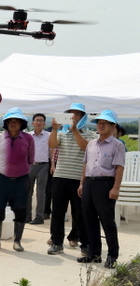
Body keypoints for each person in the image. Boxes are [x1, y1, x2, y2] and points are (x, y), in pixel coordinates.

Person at [47, 103, 97, 255]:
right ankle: (57, 242)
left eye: (77, 113)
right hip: (60, 176)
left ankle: (83, 243)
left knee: (80, 212)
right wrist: (55, 129)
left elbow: (86, 148)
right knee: (57, 212)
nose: (74, 116)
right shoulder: (61, 132)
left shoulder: (91, 135)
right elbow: (52, 145)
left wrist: (75, 131)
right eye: (71, 113)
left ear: (83, 116)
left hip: (78, 178)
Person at [77, 110, 125, 269]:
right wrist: (82, 183)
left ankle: (112, 255)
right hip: (89, 183)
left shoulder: (117, 145)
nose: (101, 125)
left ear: (113, 126)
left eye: (105, 123)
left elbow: (119, 168)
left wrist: (116, 188)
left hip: (105, 184)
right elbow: (85, 164)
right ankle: (94, 253)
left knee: (107, 220)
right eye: (99, 122)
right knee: (89, 219)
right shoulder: (91, 143)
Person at [0, 108, 34, 252]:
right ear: (6, 123)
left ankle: (17, 241)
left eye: (16, 121)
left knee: (21, 211)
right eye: (10, 121)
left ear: (22, 123)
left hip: (21, 180)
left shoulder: (28, 139)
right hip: (3, 180)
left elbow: (30, 159)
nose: (13, 123)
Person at [27, 113, 50, 225]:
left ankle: (39, 217)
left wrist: (53, 165)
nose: (39, 122)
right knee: (28, 191)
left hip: (43, 166)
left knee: (41, 192)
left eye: (41, 120)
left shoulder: (49, 135)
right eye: (37, 120)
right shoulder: (27, 136)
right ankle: (27, 215)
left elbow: (52, 151)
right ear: (33, 123)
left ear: (44, 123)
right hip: (30, 165)